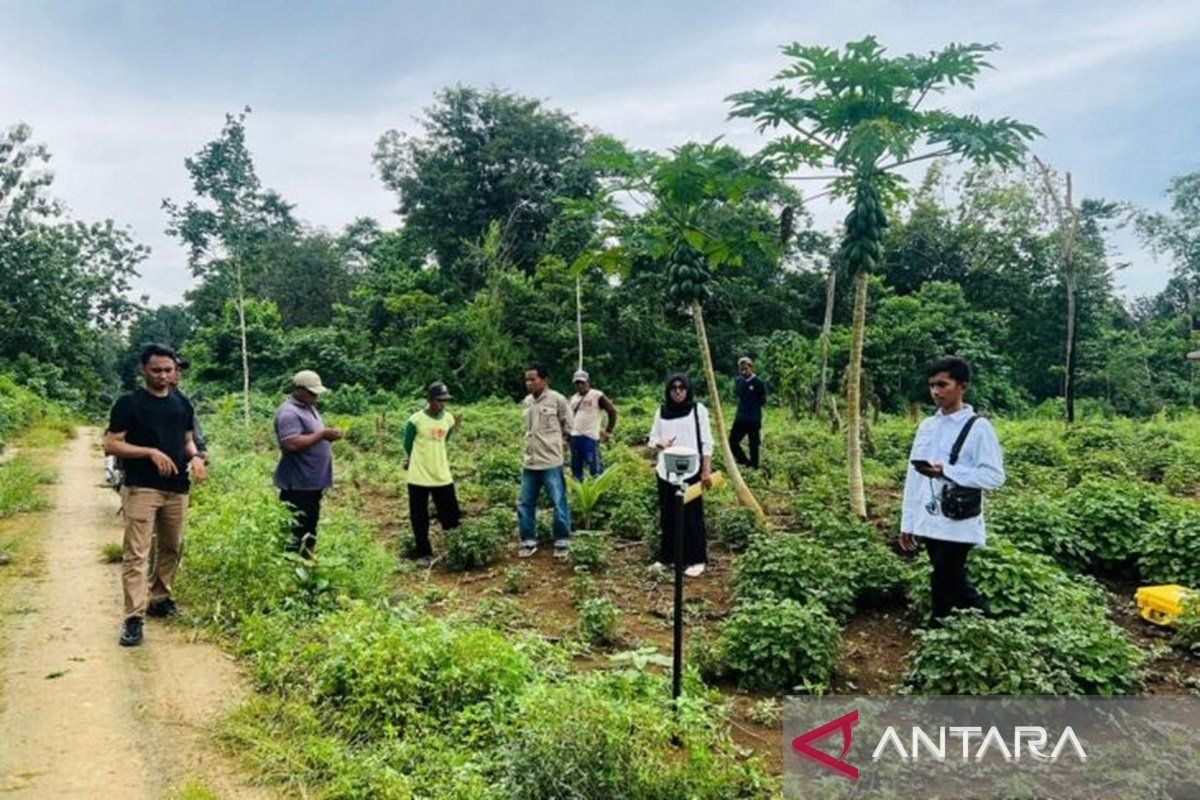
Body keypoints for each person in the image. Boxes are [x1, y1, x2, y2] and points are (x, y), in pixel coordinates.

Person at [104, 343, 207, 647]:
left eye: (168, 370)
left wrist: (197, 457)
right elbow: (112, 444)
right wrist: (149, 451)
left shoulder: (182, 404)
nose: (163, 376)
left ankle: (160, 598)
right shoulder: (129, 404)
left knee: (172, 547)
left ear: (175, 371)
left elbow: (188, 440)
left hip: (177, 488)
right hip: (141, 486)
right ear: (143, 370)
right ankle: (133, 617)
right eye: (156, 370)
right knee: (136, 552)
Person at [899, 356, 1006, 626]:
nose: (936, 391)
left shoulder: (979, 428)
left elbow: (994, 476)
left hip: (958, 521)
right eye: (932, 385)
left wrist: (947, 471)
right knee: (949, 579)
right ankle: (979, 627)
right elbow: (913, 477)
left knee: (945, 578)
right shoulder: (927, 426)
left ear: (962, 386)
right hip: (929, 518)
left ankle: (943, 630)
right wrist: (907, 522)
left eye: (943, 384)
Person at [648, 373, 714, 577]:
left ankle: (696, 558)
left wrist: (706, 470)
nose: (678, 391)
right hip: (666, 471)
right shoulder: (662, 411)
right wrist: (659, 443)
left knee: (692, 516)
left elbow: (707, 441)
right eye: (674, 388)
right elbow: (652, 438)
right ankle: (668, 557)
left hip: (691, 470)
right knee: (668, 515)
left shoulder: (697, 410)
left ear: (688, 390)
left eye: (682, 387)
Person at [274, 370, 342, 558]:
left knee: (310, 524)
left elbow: (310, 436)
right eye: (312, 392)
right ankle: (292, 565)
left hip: (311, 482)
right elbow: (290, 444)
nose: (315, 396)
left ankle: (306, 560)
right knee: (296, 528)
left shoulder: (308, 407)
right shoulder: (289, 412)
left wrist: (328, 436)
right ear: (299, 389)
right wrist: (322, 434)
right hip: (298, 484)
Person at [402, 381, 462, 567]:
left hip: (441, 474)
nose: (442, 404)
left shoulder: (449, 419)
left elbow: (446, 439)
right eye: (438, 400)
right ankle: (423, 553)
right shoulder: (416, 420)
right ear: (429, 400)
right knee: (419, 516)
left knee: (451, 514)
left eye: (445, 400)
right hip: (418, 476)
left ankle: (455, 549)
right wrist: (414, 459)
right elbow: (407, 443)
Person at [517, 364, 573, 559]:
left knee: (558, 502)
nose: (529, 383)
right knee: (525, 503)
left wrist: (561, 448)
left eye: (533, 379)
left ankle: (562, 540)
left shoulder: (557, 400)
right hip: (530, 462)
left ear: (544, 379)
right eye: (527, 379)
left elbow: (569, 427)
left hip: (551, 461)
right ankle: (528, 540)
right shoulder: (526, 402)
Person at [567, 369, 618, 482]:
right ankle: (579, 493)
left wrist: (608, 431)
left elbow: (612, 411)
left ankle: (599, 494)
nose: (580, 385)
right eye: (577, 383)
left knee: (595, 468)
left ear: (588, 381)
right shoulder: (573, 398)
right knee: (576, 468)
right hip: (574, 437)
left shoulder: (596, 395)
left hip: (590, 437)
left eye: (582, 382)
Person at [729, 356, 766, 469]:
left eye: (746, 369)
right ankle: (744, 462)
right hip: (741, 417)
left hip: (754, 418)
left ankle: (754, 467)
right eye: (741, 369)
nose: (744, 371)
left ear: (751, 368)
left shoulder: (758, 382)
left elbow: (763, 400)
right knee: (732, 442)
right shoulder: (739, 381)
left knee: (753, 445)